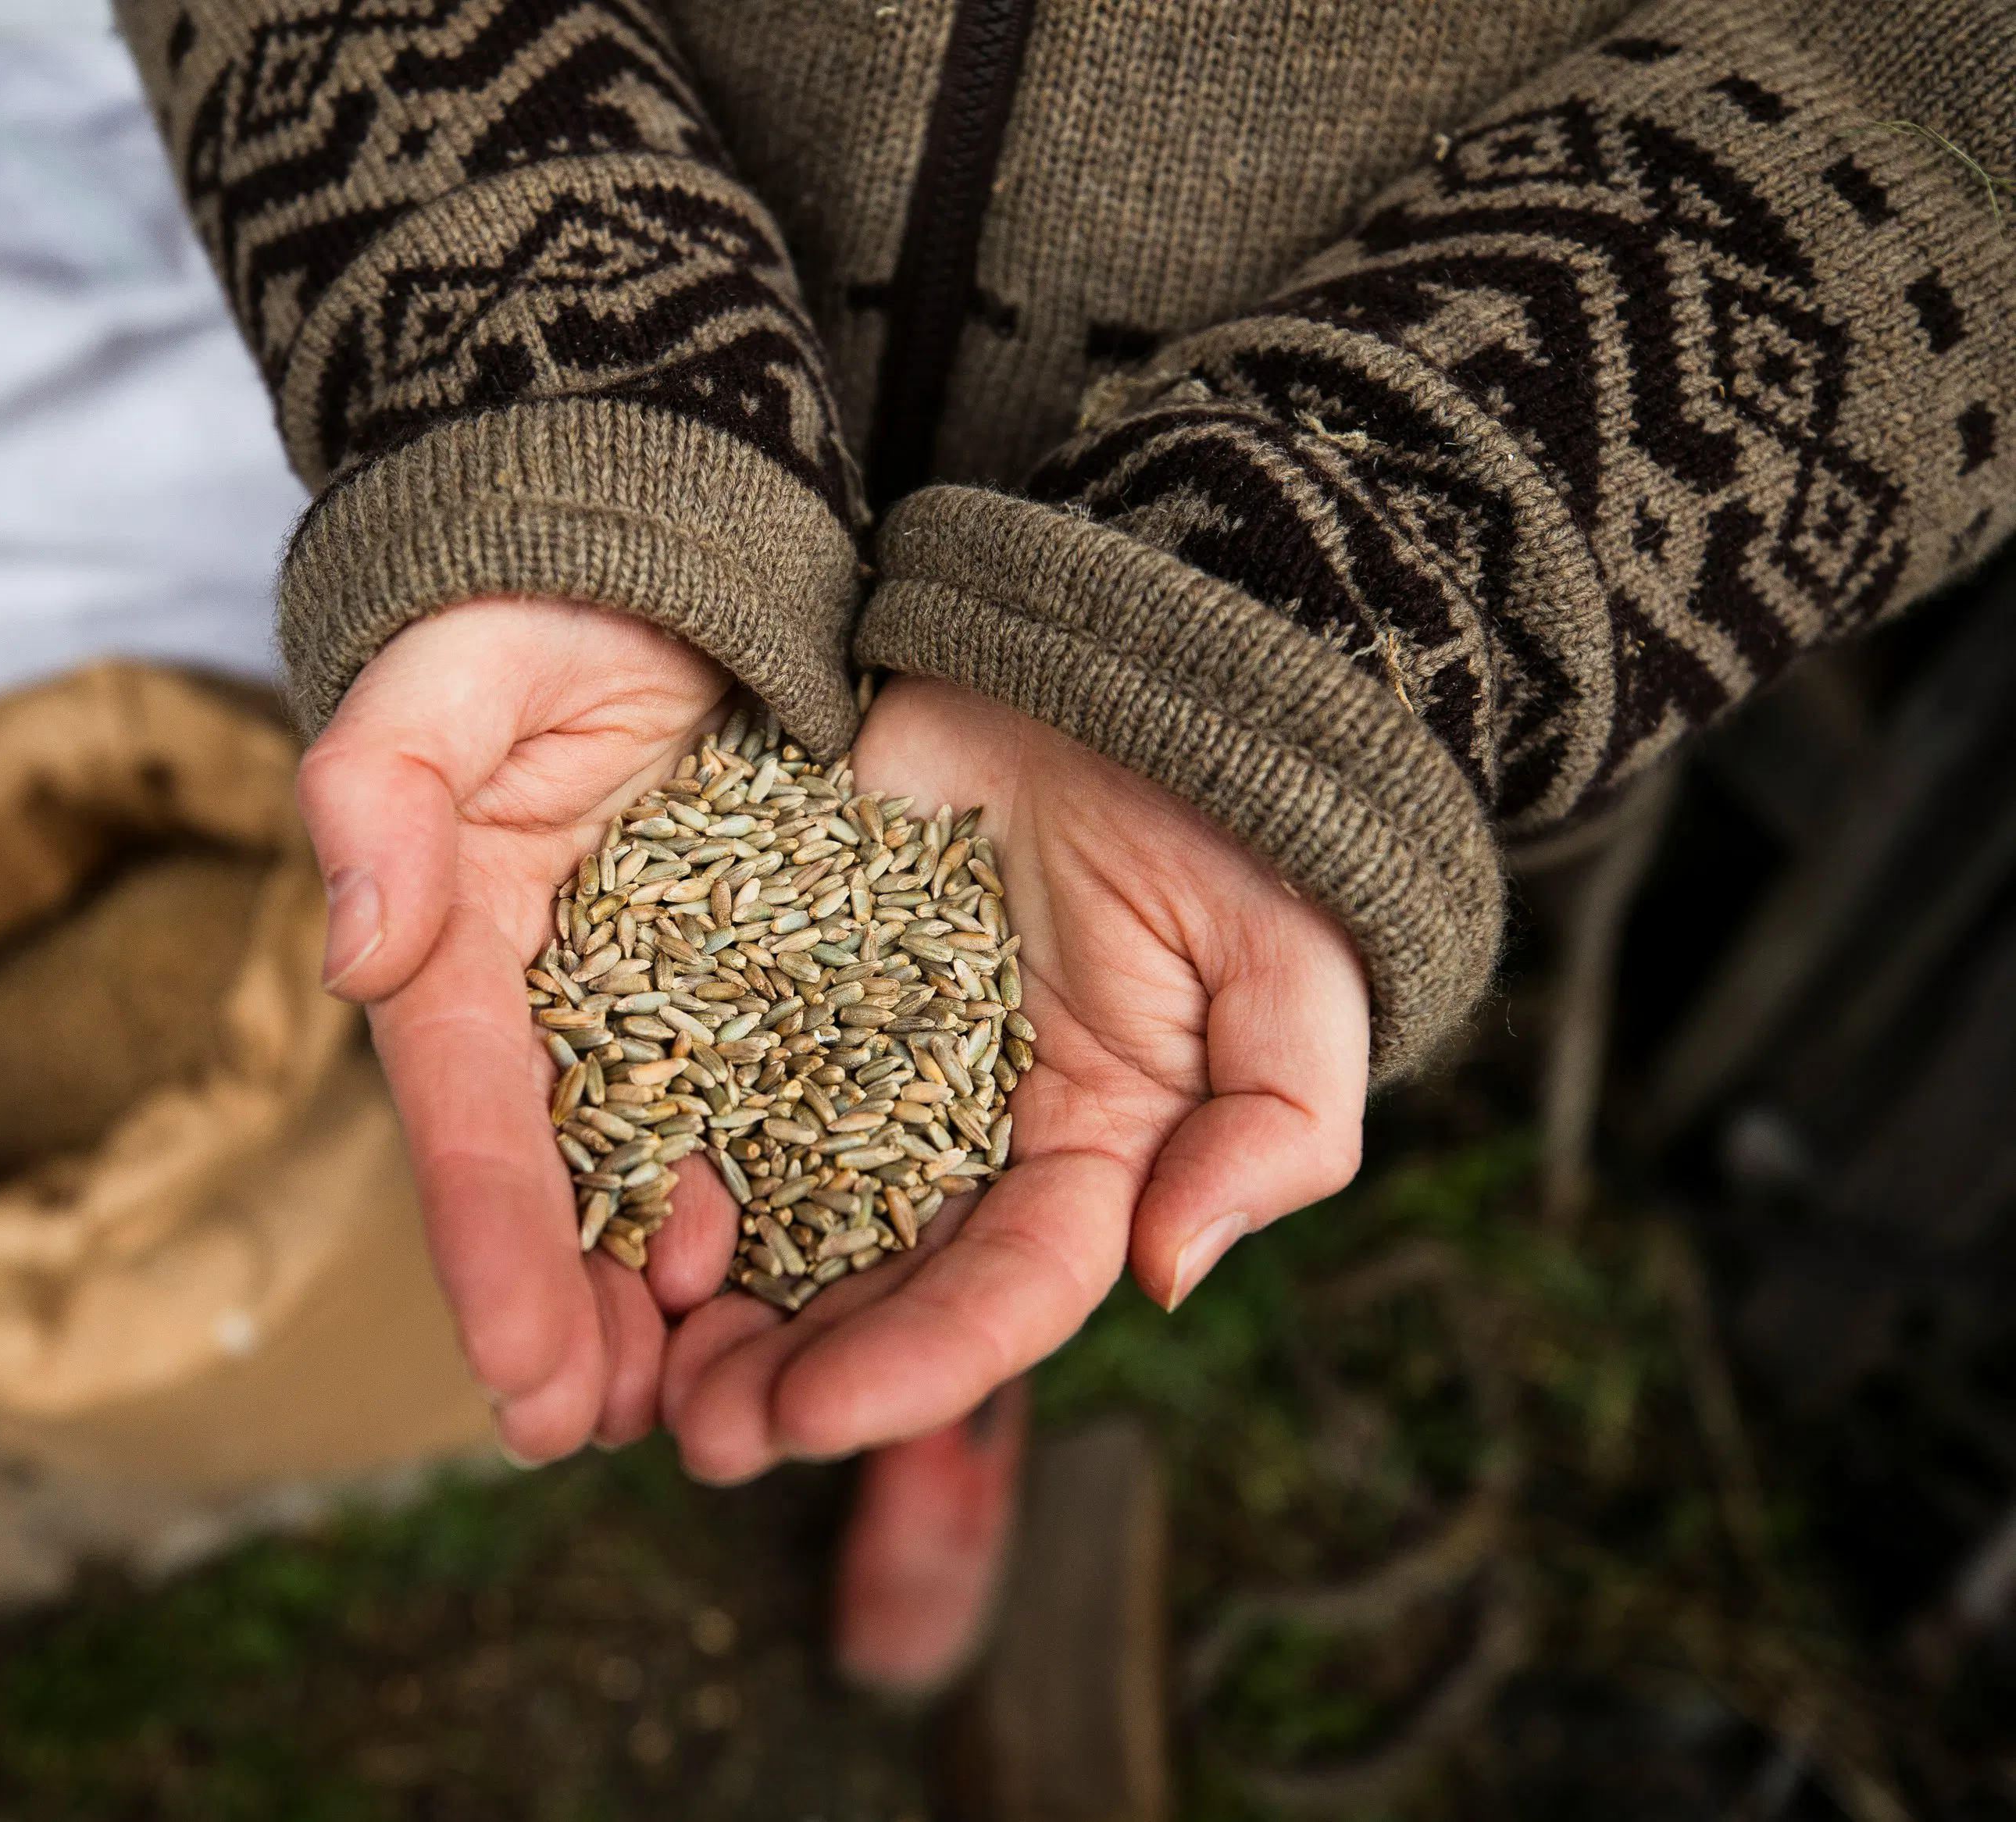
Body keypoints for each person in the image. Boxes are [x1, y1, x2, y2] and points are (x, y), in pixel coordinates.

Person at [115, 0, 2014, 1694]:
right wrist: (517, 325)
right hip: (623, 451)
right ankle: (790, 1306)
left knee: (1095, 1110)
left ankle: (968, 1390)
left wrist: (1390, 549)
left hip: (1345, 662)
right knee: (497, 966)